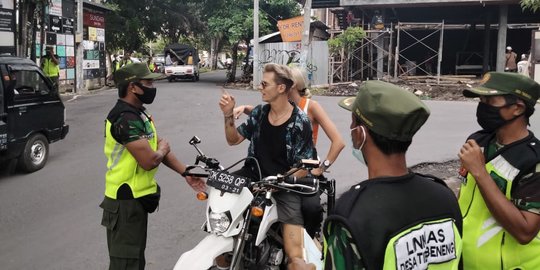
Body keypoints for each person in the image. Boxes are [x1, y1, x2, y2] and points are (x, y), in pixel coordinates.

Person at [322, 81, 463, 269]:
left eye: (353, 121)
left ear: (360, 134)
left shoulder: (353, 213)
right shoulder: (444, 197)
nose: (351, 127)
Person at [99, 63, 206, 270]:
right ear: (133, 87)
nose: (152, 87)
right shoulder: (124, 118)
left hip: (136, 200)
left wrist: (185, 171)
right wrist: (163, 150)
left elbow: (156, 149)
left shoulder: (139, 114)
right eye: (148, 82)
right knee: (126, 264)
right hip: (124, 201)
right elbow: (150, 160)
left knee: (136, 260)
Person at [219, 63, 314, 268]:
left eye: (264, 83)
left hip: (283, 185)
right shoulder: (260, 113)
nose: (260, 87)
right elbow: (233, 140)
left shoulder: (300, 121)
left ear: (281, 88)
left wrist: (283, 180)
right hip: (252, 176)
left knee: (296, 258)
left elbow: (304, 165)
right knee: (220, 219)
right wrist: (228, 115)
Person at [234, 67, 345, 237]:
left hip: (303, 166)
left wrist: (322, 167)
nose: (263, 87)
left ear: (287, 86)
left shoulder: (310, 108)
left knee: (310, 208)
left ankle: (309, 239)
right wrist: (241, 109)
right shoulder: (272, 107)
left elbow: (339, 142)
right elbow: (260, 113)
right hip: (275, 166)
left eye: (267, 84)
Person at [458, 72, 540, 270]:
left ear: (517, 108)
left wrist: (480, 173)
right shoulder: (479, 141)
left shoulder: (533, 160)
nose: (482, 105)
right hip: (465, 261)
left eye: (489, 100)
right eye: (481, 99)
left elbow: (525, 231)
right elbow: (465, 198)